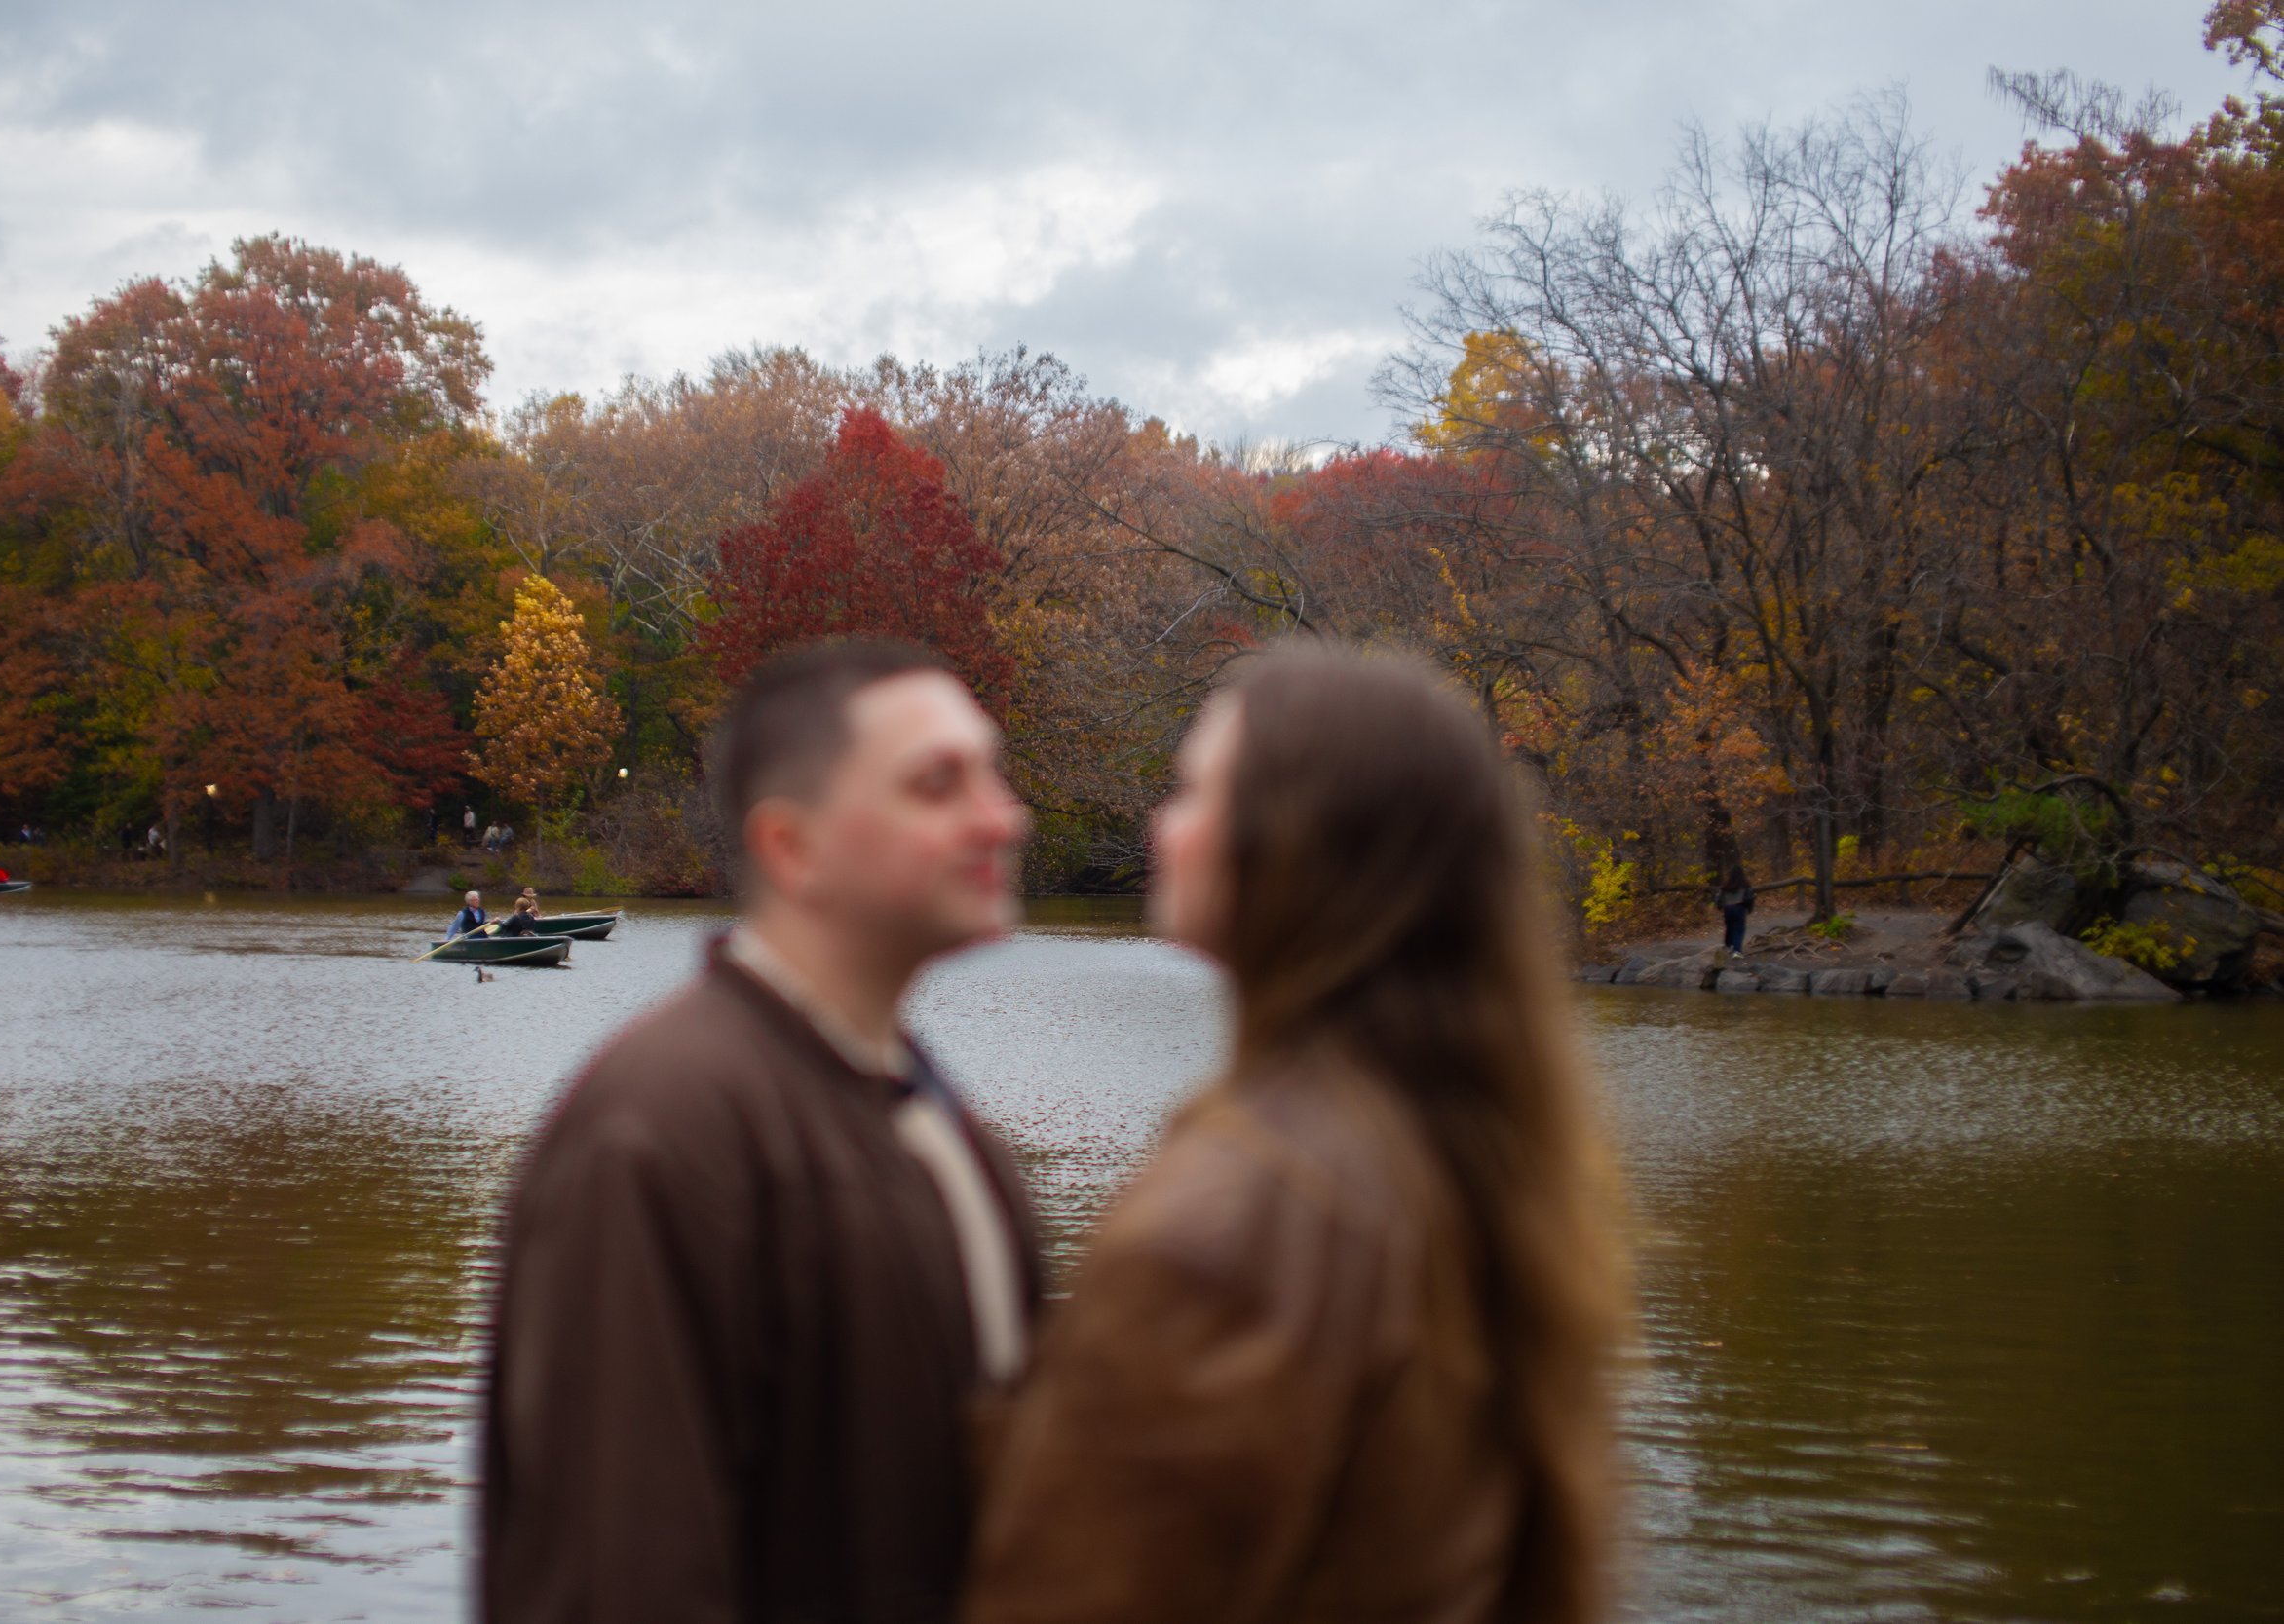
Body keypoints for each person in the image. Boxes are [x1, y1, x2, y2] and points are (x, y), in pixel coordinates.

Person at [965, 646, 1628, 1624]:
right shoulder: (1456, 1155)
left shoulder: (1226, 1230)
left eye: (1192, 792)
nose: (1160, 825)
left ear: (1292, 846)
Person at [480, 639, 1043, 1623]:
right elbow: (618, 1578)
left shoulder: (942, 1126)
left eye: (992, 774)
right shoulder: (656, 1131)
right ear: (791, 845)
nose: (1003, 817)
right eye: (937, 783)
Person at [1715, 862, 1755, 955]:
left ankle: (1728, 946)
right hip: (1740, 908)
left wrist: (1719, 906)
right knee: (1739, 929)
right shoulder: (1745, 884)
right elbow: (1749, 897)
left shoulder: (1726, 885)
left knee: (1729, 928)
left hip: (1728, 908)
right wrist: (1749, 908)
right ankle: (1737, 950)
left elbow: (1719, 897)